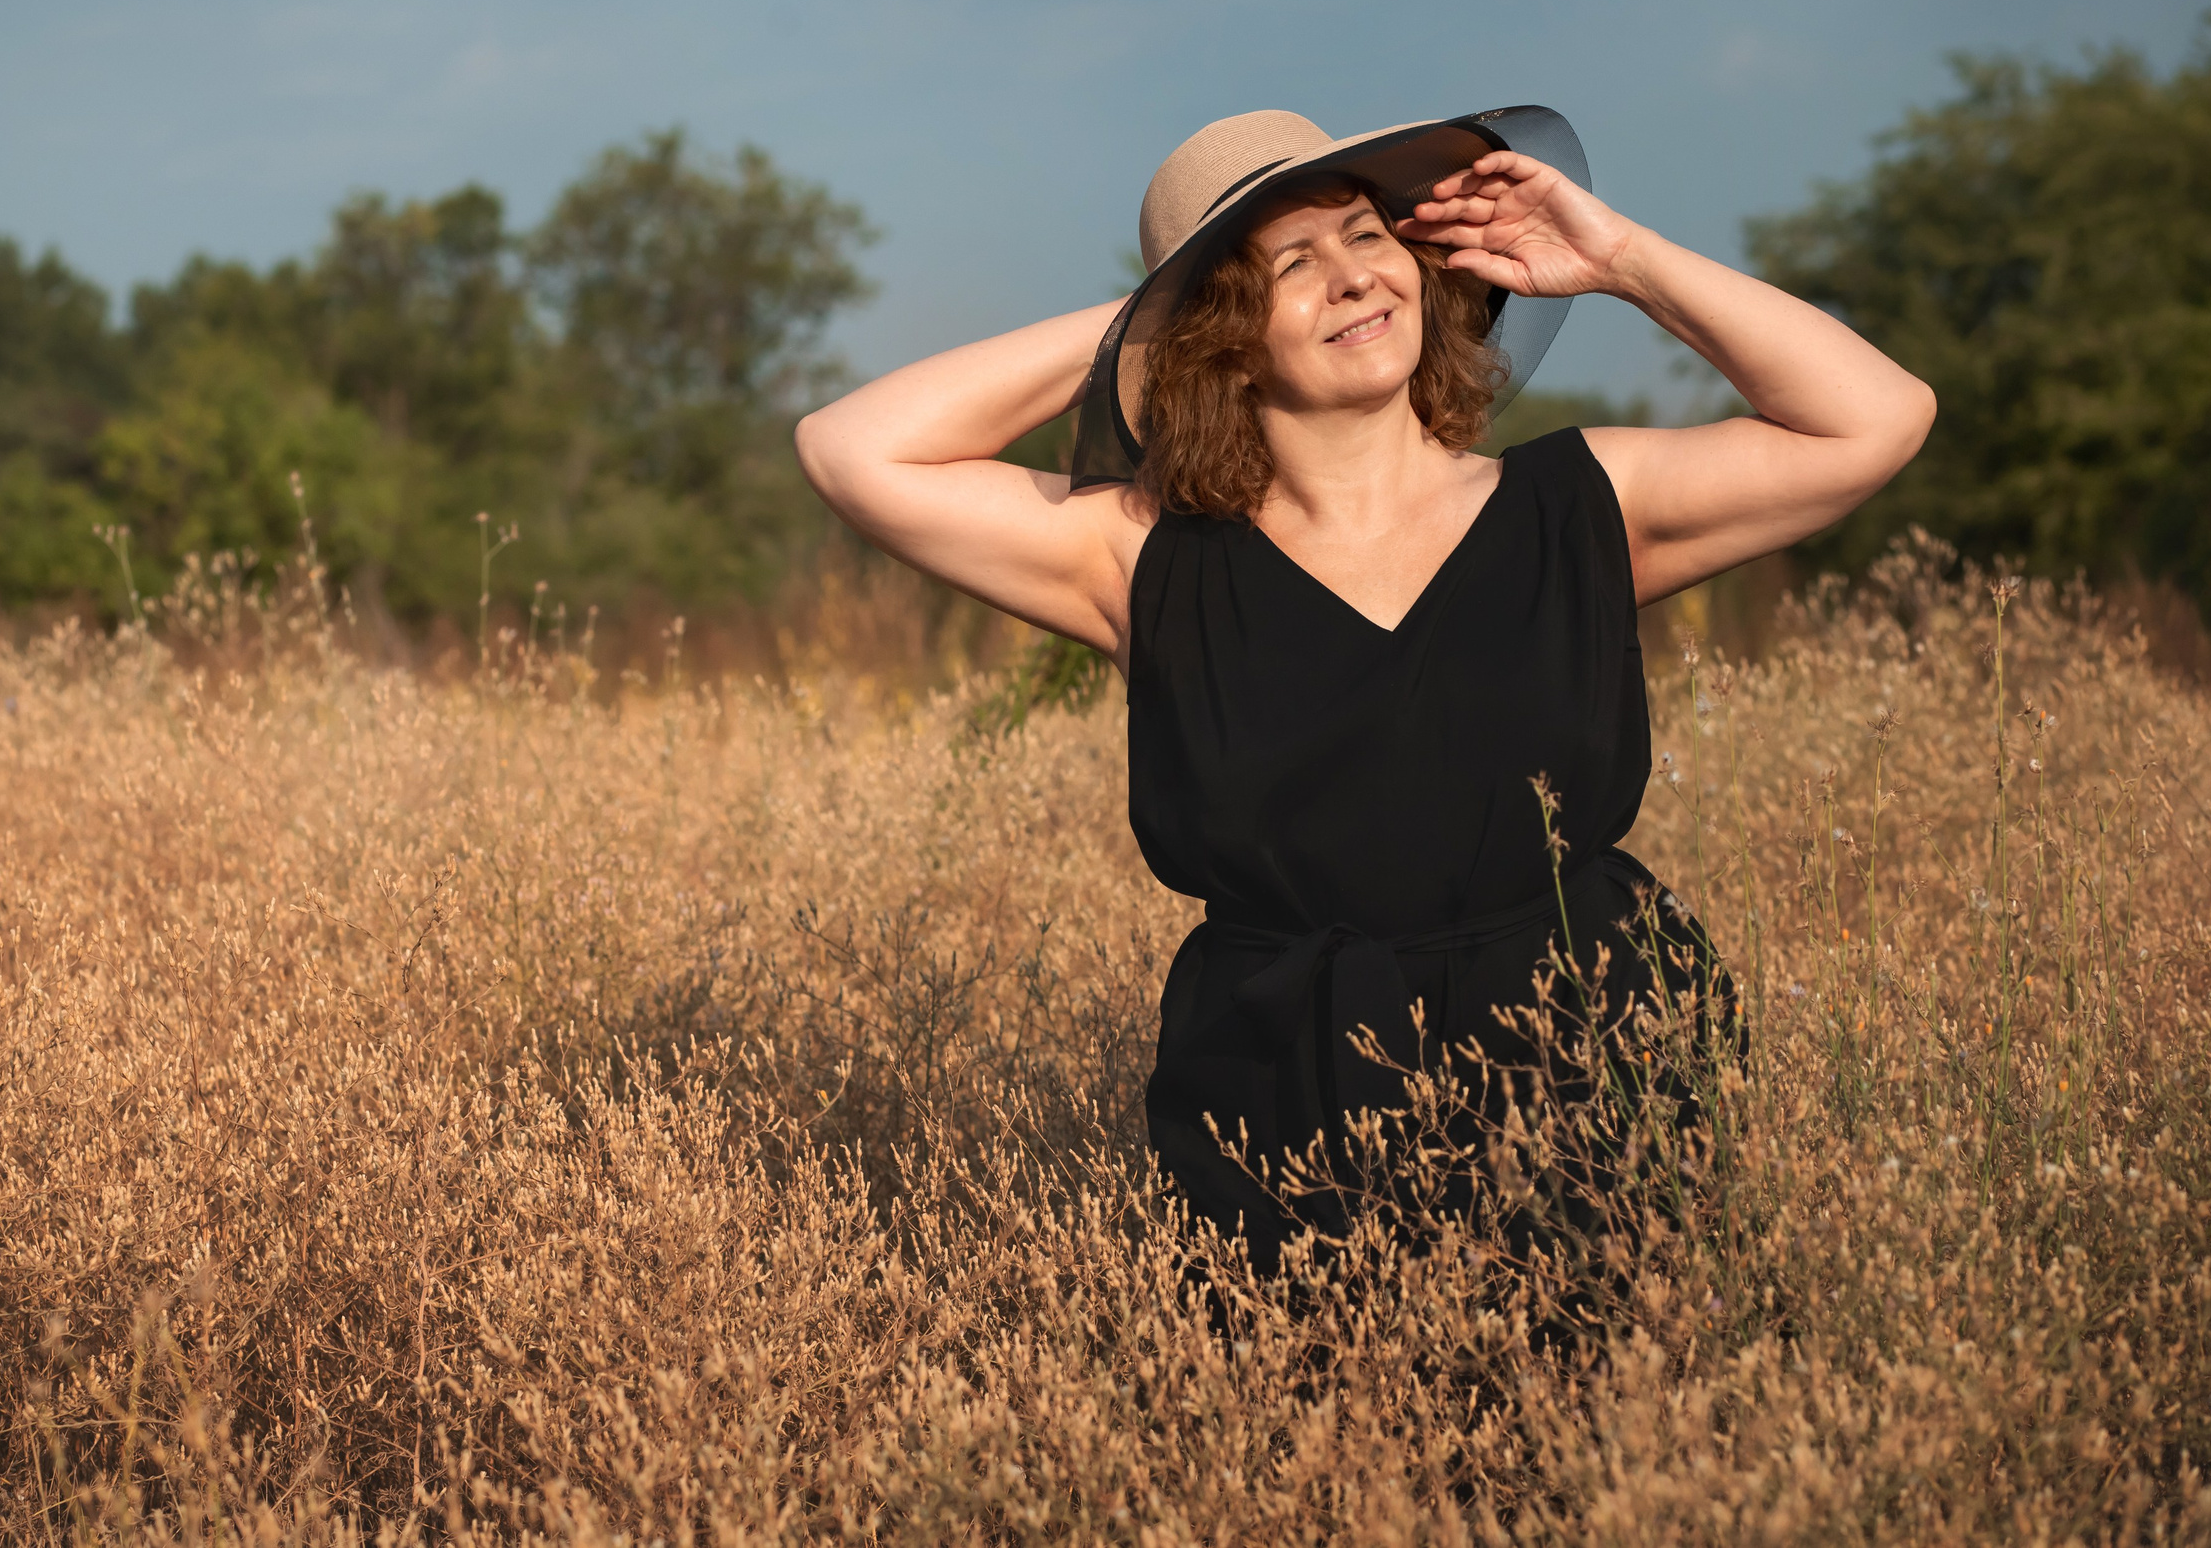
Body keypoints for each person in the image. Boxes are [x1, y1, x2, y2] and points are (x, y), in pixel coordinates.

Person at [794, 108, 1932, 1270]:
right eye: (1289, 263)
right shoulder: (1142, 559)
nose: (1351, 279)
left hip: (1593, 1061)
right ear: (1222, 332)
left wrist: (1620, 260)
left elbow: (1878, 417)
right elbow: (850, 449)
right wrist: (1146, 317)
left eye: (1365, 234)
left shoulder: (1582, 501)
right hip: (1281, 1107)